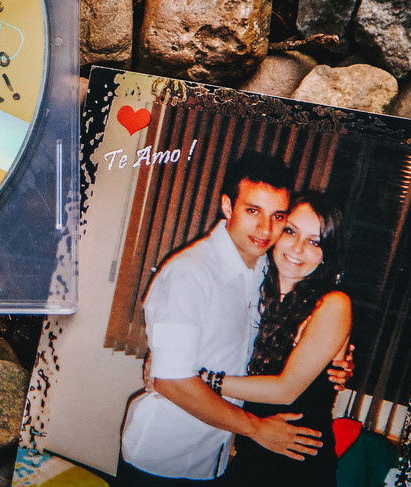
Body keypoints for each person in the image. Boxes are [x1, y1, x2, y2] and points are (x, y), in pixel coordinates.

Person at [119, 153, 324, 485]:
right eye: (252, 211)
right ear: (228, 207)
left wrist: (339, 355)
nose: (265, 228)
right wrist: (257, 429)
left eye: (277, 216)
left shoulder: (263, 271)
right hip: (162, 459)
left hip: (215, 458)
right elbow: (172, 382)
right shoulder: (190, 274)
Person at [218, 192, 351, 486]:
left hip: (298, 466)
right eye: (291, 231)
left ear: (327, 253)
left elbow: (286, 390)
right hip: (251, 454)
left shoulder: (332, 304)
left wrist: (198, 380)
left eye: (314, 242)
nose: (297, 248)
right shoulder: (255, 288)